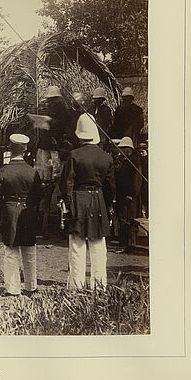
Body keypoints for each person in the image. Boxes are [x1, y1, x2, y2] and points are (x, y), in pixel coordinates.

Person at [59, 114, 115, 290]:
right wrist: (108, 208)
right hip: (98, 201)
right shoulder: (106, 157)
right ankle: (99, 286)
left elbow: (67, 183)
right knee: (98, 246)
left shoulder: (74, 155)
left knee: (77, 246)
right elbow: (110, 188)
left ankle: (76, 286)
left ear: (79, 134)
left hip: (78, 200)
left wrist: (67, 205)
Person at [0, 134, 43, 296]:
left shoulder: (3, 172)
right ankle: (31, 287)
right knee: (29, 250)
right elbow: (38, 196)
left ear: (10, 149)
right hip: (28, 212)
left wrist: (1, 214)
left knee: (11, 252)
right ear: (25, 149)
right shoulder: (33, 172)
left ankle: (13, 289)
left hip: (10, 211)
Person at [114, 137, 143, 252]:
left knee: (129, 220)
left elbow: (137, 180)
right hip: (122, 195)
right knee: (123, 219)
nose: (120, 150)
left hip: (130, 197)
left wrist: (131, 194)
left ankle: (129, 245)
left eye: (122, 148)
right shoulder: (124, 160)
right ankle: (125, 244)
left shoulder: (134, 161)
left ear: (128, 149)